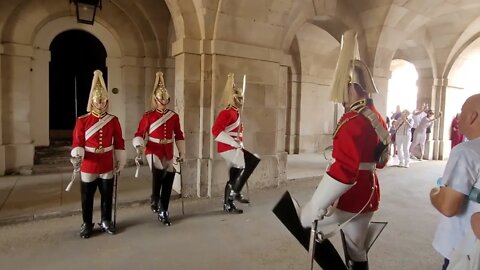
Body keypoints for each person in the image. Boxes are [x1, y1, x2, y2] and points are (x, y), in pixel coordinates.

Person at [70, 70, 126, 239]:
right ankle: (87, 223)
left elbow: (119, 141)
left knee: (107, 195)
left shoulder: (113, 120)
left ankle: (106, 220)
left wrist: (119, 159)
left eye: (103, 101)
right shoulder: (83, 120)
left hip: (107, 162)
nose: (101, 104)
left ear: (106, 102)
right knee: (87, 196)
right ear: (92, 102)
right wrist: (77, 154)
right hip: (89, 162)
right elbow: (77, 141)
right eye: (98, 101)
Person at [430, 93, 480, 270]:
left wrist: (435, 193)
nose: (458, 117)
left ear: (472, 116)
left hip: (464, 247)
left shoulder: (467, 151)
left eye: (462, 112)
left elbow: (448, 207)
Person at [132, 71, 185, 226]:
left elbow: (179, 134)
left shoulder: (173, 116)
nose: (163, 101)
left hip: (168, 148)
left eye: (165, 98)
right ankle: (155, 197)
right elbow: (139, 133)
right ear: (155, 99)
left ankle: (164, 209)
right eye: (160, 98)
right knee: (158, 171)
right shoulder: (148, 116)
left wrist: (181, 151)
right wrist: (138, 144)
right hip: (153, 148)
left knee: (169, 179)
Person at [212, 73, 260, 214]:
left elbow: (238, 133)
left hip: (234, 147)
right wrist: (233, 143)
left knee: (234, 174)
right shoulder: (227, 113)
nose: (241, 100)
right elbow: (216, 131)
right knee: (248, 162)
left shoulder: (237, 113)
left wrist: (240, 144)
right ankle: (235, 191)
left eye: (242, 98)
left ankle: (229, 203)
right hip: (227, 147)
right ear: (232, 98)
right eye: (238, 98)